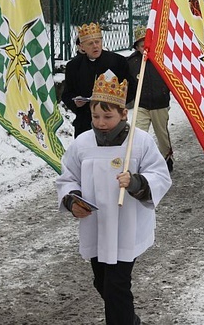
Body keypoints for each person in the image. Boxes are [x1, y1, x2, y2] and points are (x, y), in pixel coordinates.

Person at [56, 70, 172, 325]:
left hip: (126, 226)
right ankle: (131, 320)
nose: (100, 122)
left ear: (123, 114)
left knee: (117, 285)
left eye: (107, 116)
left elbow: (160, 176)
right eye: (95, 116)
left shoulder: (139, 142)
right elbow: (68, 178)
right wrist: (72, 201)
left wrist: (137, 182)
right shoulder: (82, 143)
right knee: (103, 283)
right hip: (96, 227)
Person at [62, 22, 137, 137]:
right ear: (82, 46)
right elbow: (67, 94)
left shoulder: (118, 61)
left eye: (97, 42)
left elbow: (131, 88)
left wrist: (117, 104)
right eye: (90, 43)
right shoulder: (73, 66)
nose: (95, 46)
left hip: (112, 120)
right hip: (85, 122)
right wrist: (76, 103)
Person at [126, 25, 174, 172]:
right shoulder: (132, 62)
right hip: (142, 104)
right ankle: (139, 160)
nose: (144, 48)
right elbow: (129, 82)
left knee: (162, 134)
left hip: (160, 103)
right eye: (141, 46)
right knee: (137, 133)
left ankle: (167, 156)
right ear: (137, 47)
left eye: (147, 44)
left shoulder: (161, 58)